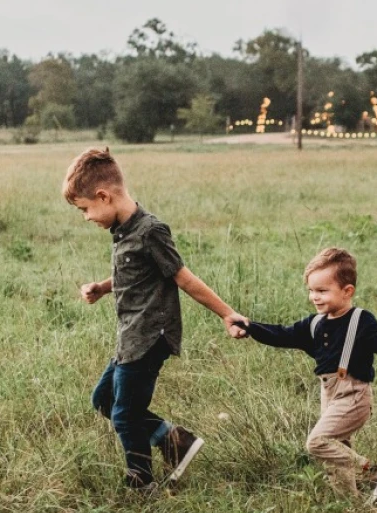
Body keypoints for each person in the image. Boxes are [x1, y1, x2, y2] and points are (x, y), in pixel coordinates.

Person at [63, 147, 248, 491]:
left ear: (103, 196)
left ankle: (141, 481)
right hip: (130, 336)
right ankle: (174, 441)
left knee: (125, 414)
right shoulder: (122, 231)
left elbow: (183, 278)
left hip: (150, 337)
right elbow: (133, 275)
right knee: (103, 399)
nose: (86, 217)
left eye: (85, 209)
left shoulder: (151, 231)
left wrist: (227, 314)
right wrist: (103, 288)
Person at [237, 248, 377, 503]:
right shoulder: (314, 324)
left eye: (322, 291)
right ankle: (351, 507)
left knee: (318, 442)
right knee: (336, 456)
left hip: (354, 395)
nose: (315, 297)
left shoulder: (361, 320)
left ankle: (370, 471)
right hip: (329, 395)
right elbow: (281, 334)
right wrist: (249, 327)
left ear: (347, 291)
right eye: (311, 290)